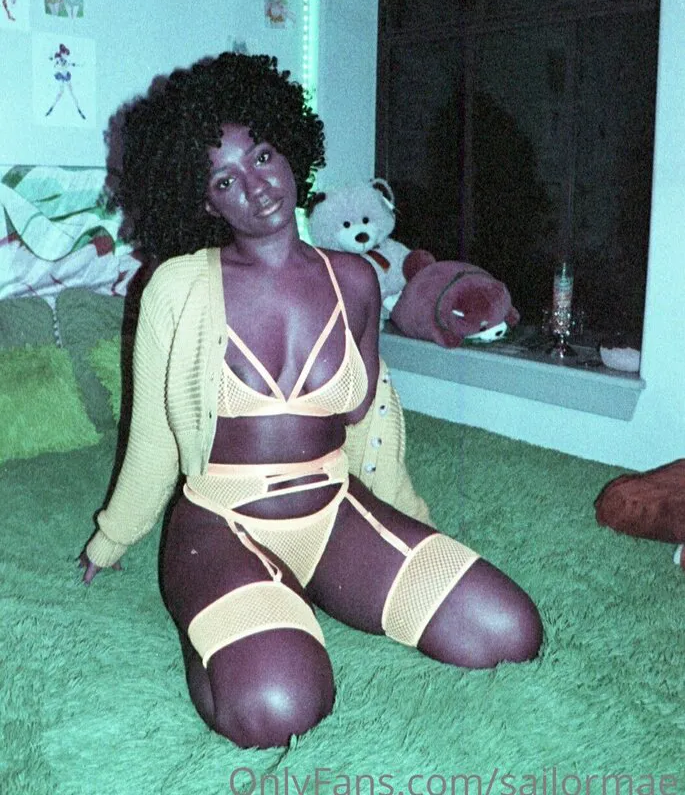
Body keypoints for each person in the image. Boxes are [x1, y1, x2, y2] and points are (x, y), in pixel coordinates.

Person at [81, 52, 542, 749]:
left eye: (262, 155)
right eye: (224, 180)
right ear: (203, 201)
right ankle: (233, 610)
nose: (256, 185)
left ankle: (292, 596)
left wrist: (409, 519)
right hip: (222, 523)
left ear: (289, 149)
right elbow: (153, 438)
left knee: (509, 631)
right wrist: (112, 539)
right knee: (280, 706)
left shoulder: (355, 279)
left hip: (333, 513)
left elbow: (370, 420)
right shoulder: (175, 287)